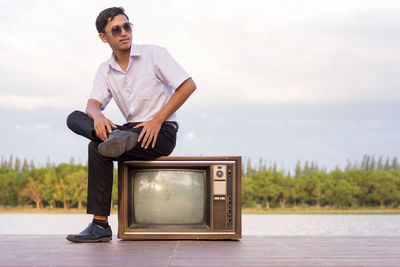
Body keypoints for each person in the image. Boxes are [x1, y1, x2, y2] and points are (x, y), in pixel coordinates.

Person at [65, 7, 196, 243]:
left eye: (127, 26)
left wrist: (157, 120)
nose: (124, 33)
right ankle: (111, 137)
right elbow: (92, 105)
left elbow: (188, 85)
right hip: (127, 131)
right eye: (116, 30)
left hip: (159, 131)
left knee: (97, 148)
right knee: (74, 117)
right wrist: (99, 118)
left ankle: (99, 225)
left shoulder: (154, 54)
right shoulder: (105, 69)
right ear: (103, 38)